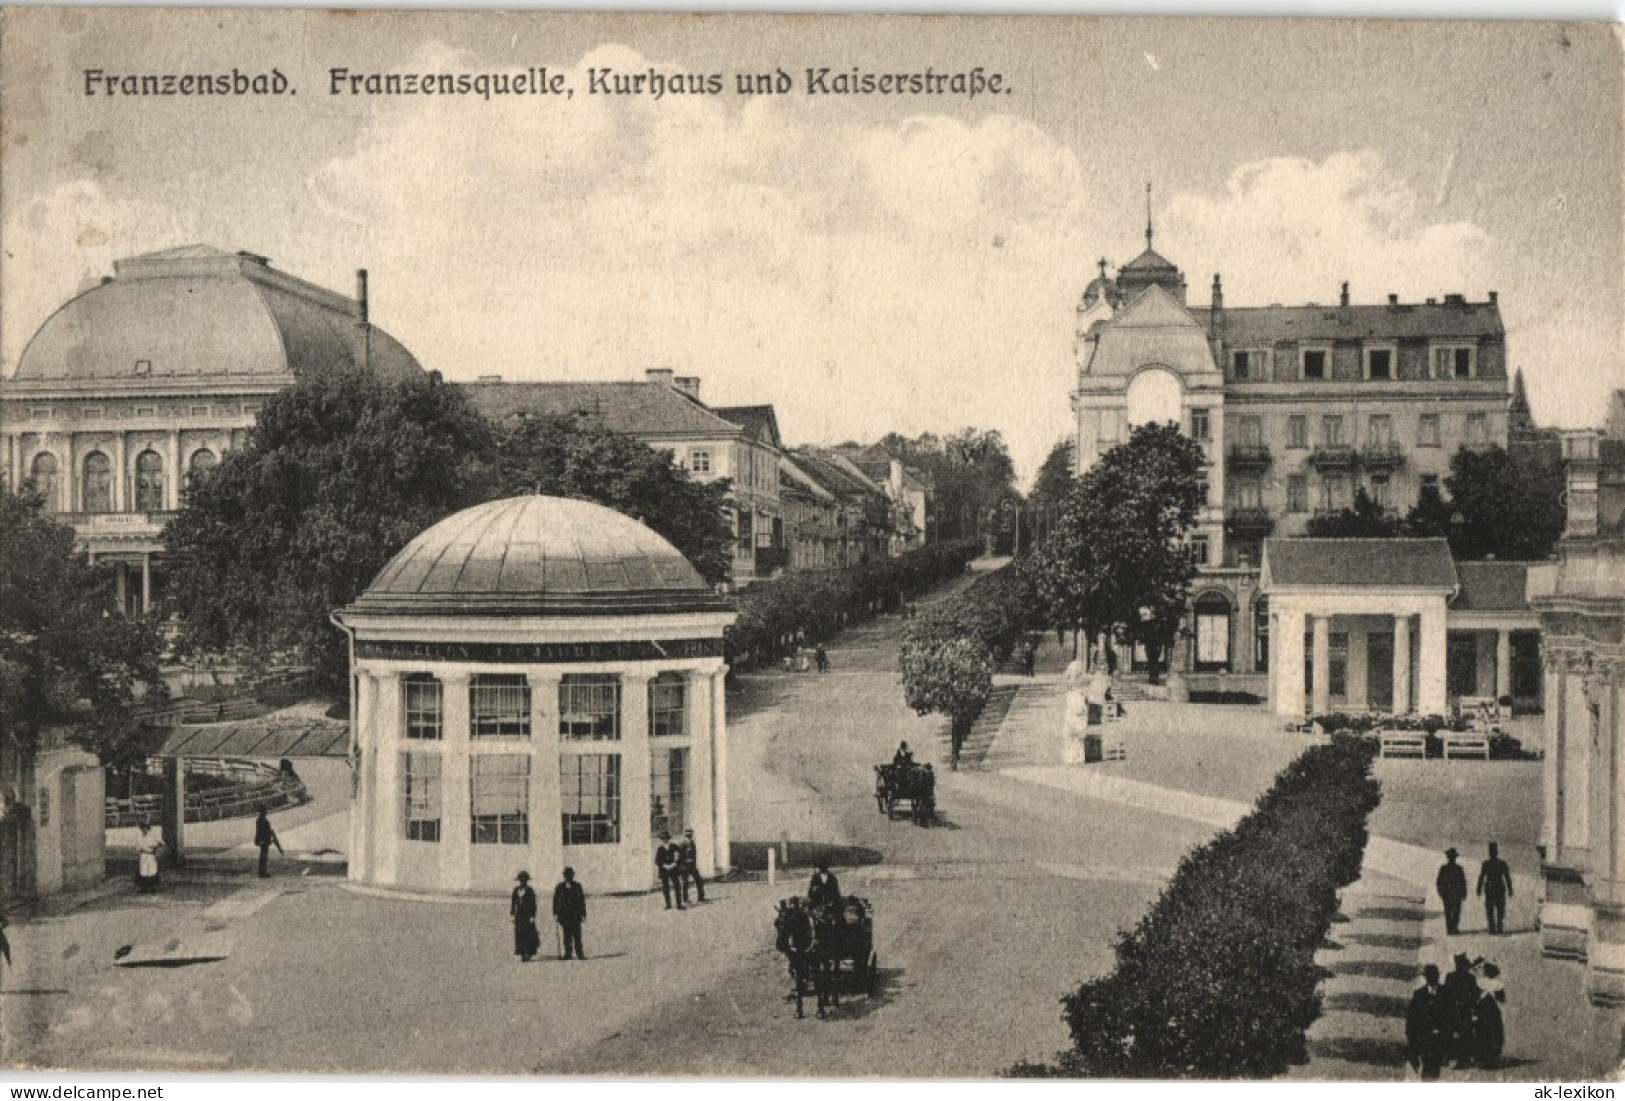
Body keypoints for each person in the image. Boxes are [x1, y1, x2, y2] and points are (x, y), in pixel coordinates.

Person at [1406, 964, 1449, 1080]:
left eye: (1434, 976)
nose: (1432, 979)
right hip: (1424, 1037)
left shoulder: (1445, 992)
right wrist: (1411, 1035)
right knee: (1427, 1066)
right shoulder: (1419, 994)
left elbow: (1450, 1014)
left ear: (1438, 977)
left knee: (1436, 1065)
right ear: (1426, 978)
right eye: (1430, 976)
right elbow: (1412, 1016)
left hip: (1440, 1036)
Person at [1442, 953, 1481, 1067]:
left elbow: (1446, 994)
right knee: (1463, 1029)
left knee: (1457, 1029)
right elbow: (1475, 995)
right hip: (1460, 1010)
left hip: (1458, 1010)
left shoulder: (1451, 977)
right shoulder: (1469, 978)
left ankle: (1456, 1056)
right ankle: (1461, 1056)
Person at [1471, 962, 1507, 1069]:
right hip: (1493, 1012)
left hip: (1481, 1012)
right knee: (1494, 1033)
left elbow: (1474, 997)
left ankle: (1482, 1056)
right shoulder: (1497, 984)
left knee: (1482, 1033)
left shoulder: (1479, 982)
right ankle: (1491, 1057)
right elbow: (1502, 999)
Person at [1477, 842, 1514, 935]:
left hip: (1490, 889)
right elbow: (1507, 877)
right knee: (1500, 909)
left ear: (1490, 853)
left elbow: (1481, 877)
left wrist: (1479, 888)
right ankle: (1499, 927)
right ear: (1496, 852)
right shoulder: (1502, 863)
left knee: (1490, 909)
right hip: (1499, 889)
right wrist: (1510, 889)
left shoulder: (1486, 863)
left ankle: (1492, 928)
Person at [552, 867, 587, 960]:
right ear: (564, 876)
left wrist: (583, 914)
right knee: (566, 935)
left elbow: (582, 901)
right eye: (567, 875)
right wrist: (555, 913)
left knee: (577, 935)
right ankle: (568, 953)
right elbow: (555, 901)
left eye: (570, 875)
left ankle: (579, 953)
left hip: (575, 915)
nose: (568, 877)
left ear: (572, 876)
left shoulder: (577, 886)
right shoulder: (559, 887)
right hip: (564, 915)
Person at [510, 871, 540, 963]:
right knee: (519, 934)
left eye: (524, 880)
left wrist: (532, 916)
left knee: (529, 934)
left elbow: (533, 904)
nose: (522, 882)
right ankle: (522, 953)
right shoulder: (516, 890)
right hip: (519, 916)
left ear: (527, 881)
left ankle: (529, 952)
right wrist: (512, 914)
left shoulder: (530, 891)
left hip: (527, 916)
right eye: (521, 880)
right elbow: (513, 903)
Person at [1437, 847, 1468, 936]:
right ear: (1454, 858)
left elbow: (1439, 881)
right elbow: (1463, 881)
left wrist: (1440, 891)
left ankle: (1450, 929)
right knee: (1456, 911)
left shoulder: (1444, 868)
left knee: (1448, 911)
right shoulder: (1458, 868)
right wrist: (1464, 892)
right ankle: (1454, 928)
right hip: (1455, 893)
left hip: (1447, 893)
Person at [655, 831, 684, 910]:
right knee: (665, 887)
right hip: (664, 871)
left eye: (666, 838)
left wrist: (675, 863)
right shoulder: (660, 849)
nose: (665, 840)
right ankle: (668, 904)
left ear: (669, 839)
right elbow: (657, 861)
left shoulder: (674, 847)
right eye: (663, 839)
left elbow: (681, 855)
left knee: (677, 886)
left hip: (674, 870)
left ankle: (679, 905)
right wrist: (665, 866)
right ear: (662, 840)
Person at [679, 827, 706, 904]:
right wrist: (681, 865)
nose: (690, 834)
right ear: (685, 833)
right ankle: (685, 899)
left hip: (692, 865)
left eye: (691, 832)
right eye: (688, 832)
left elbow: (694, 855)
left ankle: (701, 897)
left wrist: (694, 864)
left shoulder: (692, 842)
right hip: (685, 865)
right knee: (685, 882)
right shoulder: (682, 842)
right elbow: (680, 855)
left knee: (699, 880)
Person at [134, 821, 164, 893]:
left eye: (146, 828)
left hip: (151, 855)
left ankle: (153, 887)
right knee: (143, 871)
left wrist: (156, 848)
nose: (145, 830)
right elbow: (138, 848)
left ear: (148, 829)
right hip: (143, 855)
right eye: (143, 828)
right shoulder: (139, 838)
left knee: (152, 870)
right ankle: (143, 888)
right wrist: (141, 851)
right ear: (141, 829)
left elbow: (161, 843)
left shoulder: (152, 837)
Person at [254, 808, 282, 879]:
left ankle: (261, 871)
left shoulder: (259, 821)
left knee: (263, 856)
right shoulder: (264, 821)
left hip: (262, 840)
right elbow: (266, 831)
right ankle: (262, 872)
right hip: (265, 840)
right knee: (264, 856)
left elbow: (258, 831)